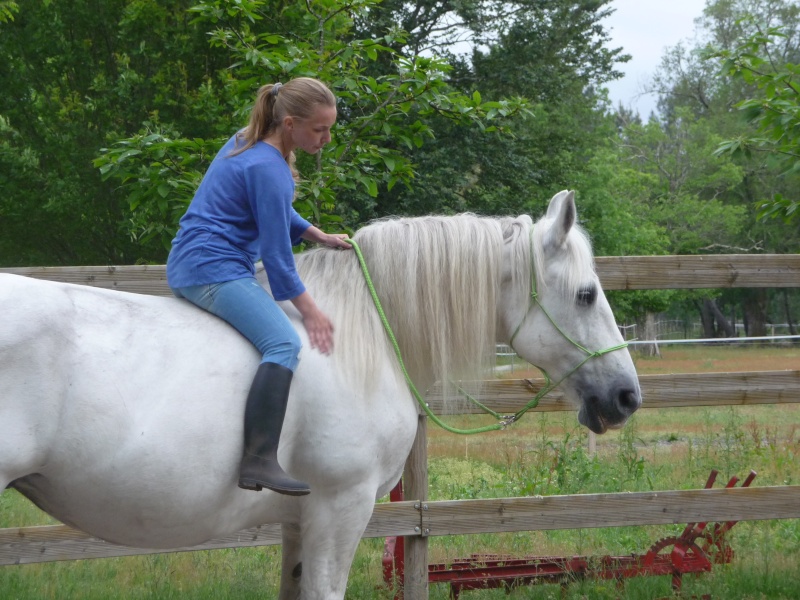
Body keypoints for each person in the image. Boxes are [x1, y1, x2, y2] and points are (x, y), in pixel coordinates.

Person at [166, 78, 351, 496]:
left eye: (330, 128)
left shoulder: (245, 141)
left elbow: (272, 209)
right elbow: (278, 260)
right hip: (214, 272)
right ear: (289, 123)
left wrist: (314, 234)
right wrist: (311, 312)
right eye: (319, 130)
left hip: (191, 261)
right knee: (284, 343)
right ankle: (259, 459)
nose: (326, 138)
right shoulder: (271, 168)